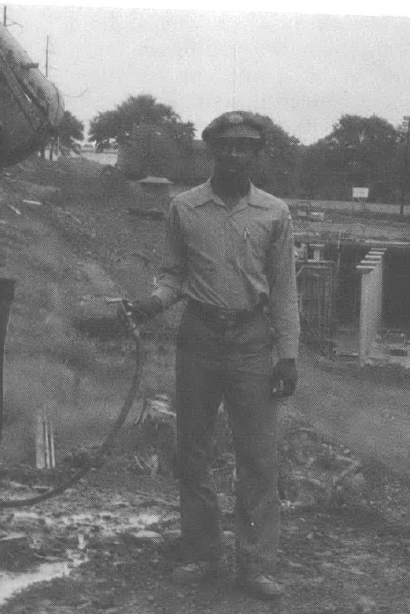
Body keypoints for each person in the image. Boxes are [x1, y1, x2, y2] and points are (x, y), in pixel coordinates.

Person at [123, 111, 300, 601]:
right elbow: (173, 273)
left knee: (258, 457)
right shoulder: (185, 207)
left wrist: (288, 355)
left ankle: (256, 565)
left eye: (246, 146)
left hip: (250, 341)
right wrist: (153, 302)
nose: (236, 154)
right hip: (198, 337)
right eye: (227, 145)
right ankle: (202, 554)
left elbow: (284, 290)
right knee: (193, 451)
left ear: (257, 153)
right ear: (212, 150)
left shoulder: (274, 213)